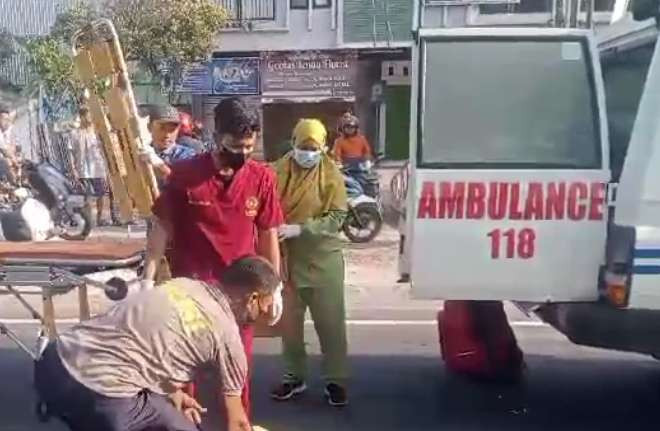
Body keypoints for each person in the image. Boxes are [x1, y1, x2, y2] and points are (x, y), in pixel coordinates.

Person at [142, 97, 283, 416]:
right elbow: (162, 226)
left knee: (236, 375)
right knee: (184, 375)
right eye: (236, 144)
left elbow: (268, 233)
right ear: (218, 136)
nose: (244, 152)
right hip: (191, 295)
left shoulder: (262, 178)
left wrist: (273, 287)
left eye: (250, 145)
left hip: (241, 296)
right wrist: (147, 278)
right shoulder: (185, 175)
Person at [34, 256, 281, 431]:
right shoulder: (228, 339)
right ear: (253, 298)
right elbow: (236, 423)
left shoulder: (183, 286)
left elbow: (145, 342)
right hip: (102, 394)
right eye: (265, 307)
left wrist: (172, 393)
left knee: (162, 413)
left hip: (54, 364)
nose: (263, 315)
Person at [270, 119, 350, 407]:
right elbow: (265, 205)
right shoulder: (277, 172)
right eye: (303, 147)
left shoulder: (331, 175)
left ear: (323, 148)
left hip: (322, 260)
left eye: (313, 148)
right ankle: (294, 376)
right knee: (289, 325)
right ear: (293, 144)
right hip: (288, 259)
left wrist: (302, 228)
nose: (307, 153)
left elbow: (338, 217)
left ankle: (336, 380)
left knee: (330, 325)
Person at [70, 107, 115, 226]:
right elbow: (71, 152)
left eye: (91, 115)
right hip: (82, 169)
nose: (90, 118)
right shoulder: (75, 133)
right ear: (82, 117)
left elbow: (106, 148)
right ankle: (87, 220)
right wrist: (73, 169)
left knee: (101, 194)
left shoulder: (98, 133)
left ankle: (100, 219)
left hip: (98, 168)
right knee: (86, 196)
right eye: (88, 115)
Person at [138, 105, 197, 185]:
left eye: (172, 129)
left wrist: (158, 164)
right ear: (149, 127)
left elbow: (182, 182)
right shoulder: (142, 151)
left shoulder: (187, 155)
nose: (167, 135)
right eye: (162, 128)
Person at [0, 104, 19, 185]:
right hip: (2, 163)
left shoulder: (9, 129)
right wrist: (13, 159)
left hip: (6, 160)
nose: (6, 122)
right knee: (5, 162)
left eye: (8, 120)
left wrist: (15, 157)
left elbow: (14, 145)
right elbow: (4, 150)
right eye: (4, 119)